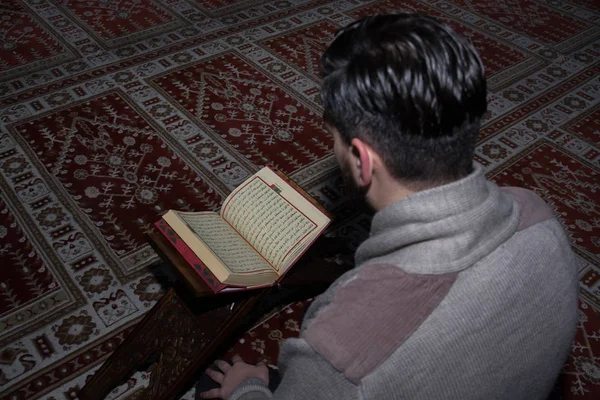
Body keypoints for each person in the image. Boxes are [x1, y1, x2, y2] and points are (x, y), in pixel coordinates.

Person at [198, 13, 579, 400]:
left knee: (215, 385)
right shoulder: (540, 220)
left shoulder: (342, 352)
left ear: (363, 161)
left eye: (334, 138)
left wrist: (248, 389)